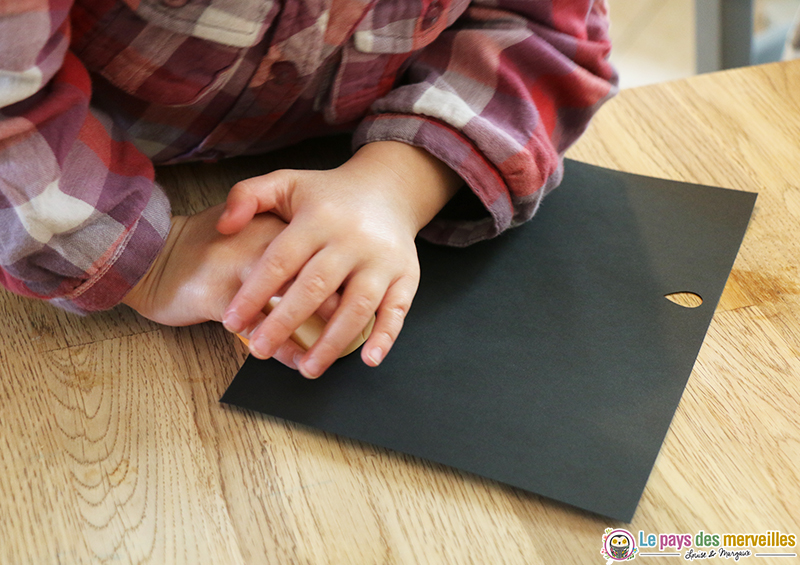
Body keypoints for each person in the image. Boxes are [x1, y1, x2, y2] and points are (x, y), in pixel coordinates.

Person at [0, 0, 617, 378]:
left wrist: (395, 183)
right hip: (74, 174)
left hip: (332, 152)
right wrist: (149, 262)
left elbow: (543, 35)